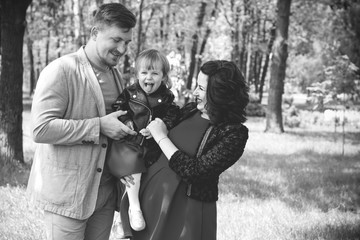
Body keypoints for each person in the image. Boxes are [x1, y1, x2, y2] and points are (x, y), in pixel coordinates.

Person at [26, 3, 137, 240]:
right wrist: (98, 126)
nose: (122, 48)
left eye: (127, 42)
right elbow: (41, 129)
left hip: (105, 194)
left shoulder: (115, 74)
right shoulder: (61, 70)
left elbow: (114, 121)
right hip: (68, 196)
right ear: (95, 33)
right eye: (116, 40)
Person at [121, 60, 249, 240]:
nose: (195, 93)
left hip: (184, 212)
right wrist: (128, 168)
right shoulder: (189, 110)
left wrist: (161, 136)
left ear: (219, 93)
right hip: (151, 200)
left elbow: (196, 171)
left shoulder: (233, 133)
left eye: (202, 89)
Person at [107, 49, 180, 231]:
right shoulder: (129, 93)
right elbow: (118, 108)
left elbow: (172, 115)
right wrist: (127, 121)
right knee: (132, 170)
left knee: (146, 180)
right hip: (129, 144)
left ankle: (123, 217)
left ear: (163, 76)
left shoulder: (167, 97)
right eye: (144, 72)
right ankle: (133, 208)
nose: (149, 77)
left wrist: (159, 125)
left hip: (150, 147)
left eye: (155, 73)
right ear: (137, 74)